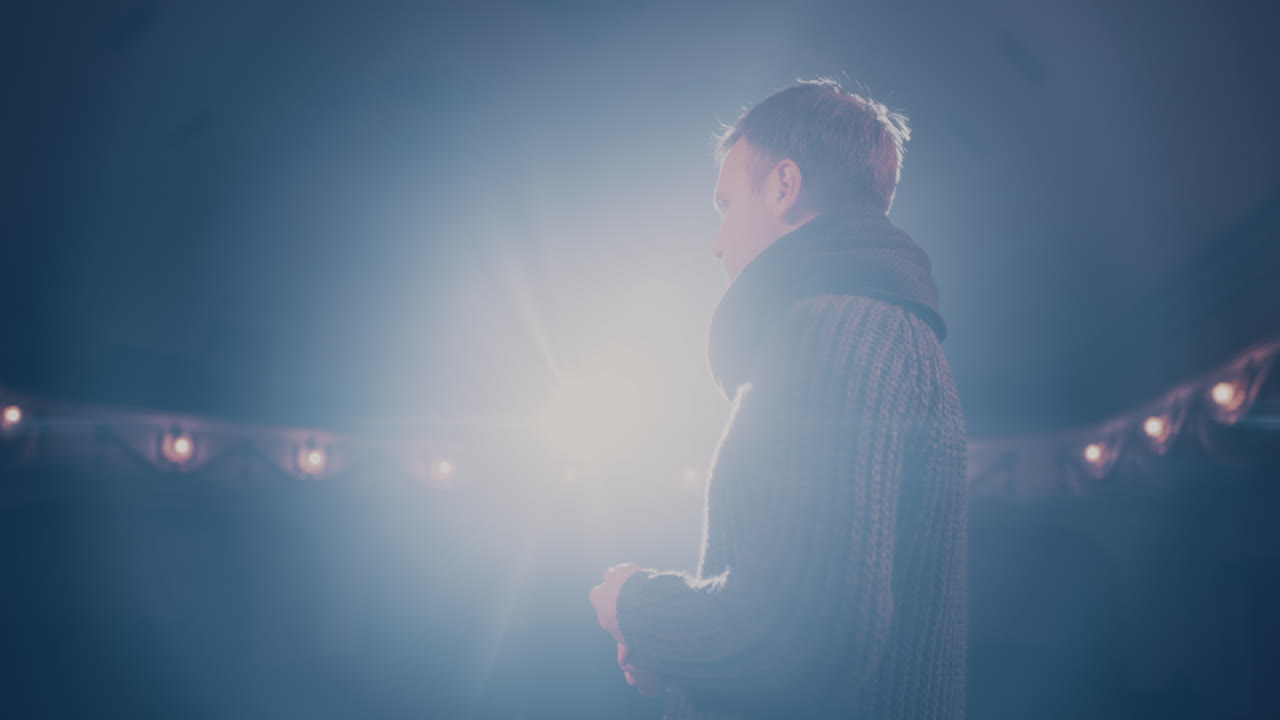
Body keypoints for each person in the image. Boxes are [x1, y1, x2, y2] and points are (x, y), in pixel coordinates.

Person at [589, 77, 967, 720]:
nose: (716, 240)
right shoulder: (891, 331)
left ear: (785, 186)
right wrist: (679, 656)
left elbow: (806, 638)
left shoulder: (833, 331)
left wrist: (634, 604)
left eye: (727, 203)